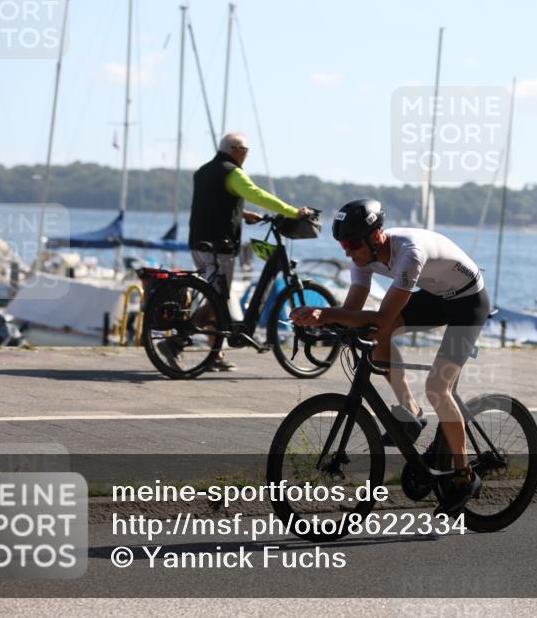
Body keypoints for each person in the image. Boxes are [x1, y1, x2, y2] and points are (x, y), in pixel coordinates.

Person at [290, 199, 491, 516]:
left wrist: (326, 313)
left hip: (468, 301)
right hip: (438, 296)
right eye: (342, 244)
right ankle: (411, 412)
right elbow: (352, 312)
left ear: (376, 236)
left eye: (352, 243)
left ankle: (464, 476)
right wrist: (318, 322)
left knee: (438, 388)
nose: (347, 251)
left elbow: (383, 317)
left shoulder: (409, 253)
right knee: (374, 335)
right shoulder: (361, 257)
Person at [164, 132, 311, 371]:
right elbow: (257, 194)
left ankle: (216, 354)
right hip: (219, 245)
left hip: (198, 242)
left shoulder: (203, 171)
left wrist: (242, 213)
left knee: (214, 294)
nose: (247, 156)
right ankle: (177, 341)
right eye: (246, 151)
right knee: (217, 298)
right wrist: (293, 212)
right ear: (237, 150)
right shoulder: (233, 172)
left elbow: (212, 201)